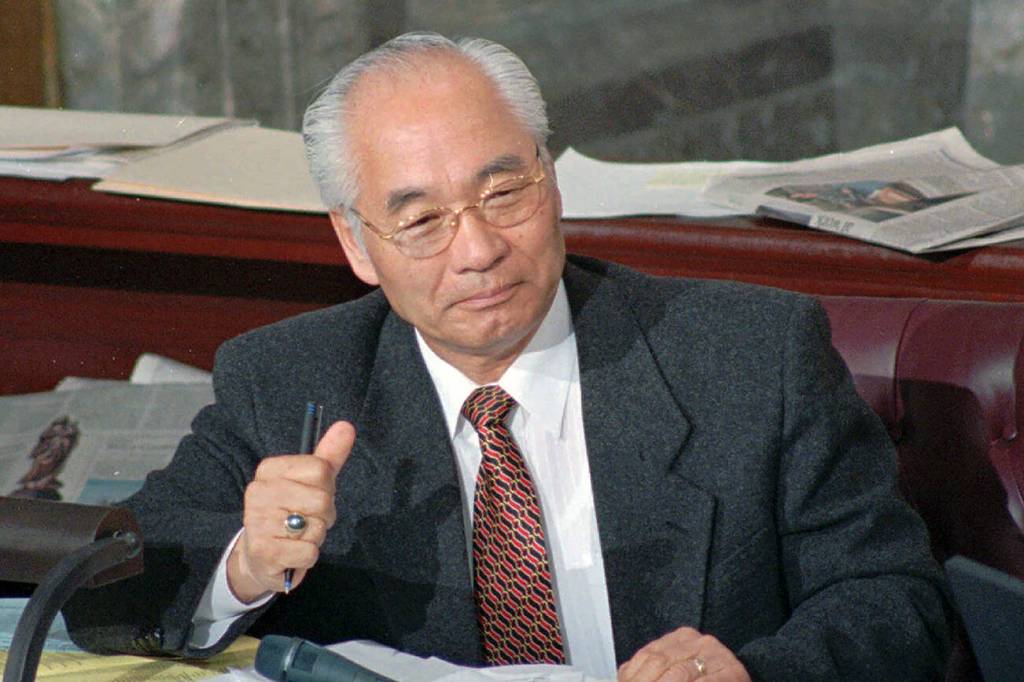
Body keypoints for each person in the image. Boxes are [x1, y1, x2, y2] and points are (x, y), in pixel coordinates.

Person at [63, 32, 951, 681]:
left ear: (552, 179)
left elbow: (896, 602)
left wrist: (754, 673)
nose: (478, 248)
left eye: (503, 190)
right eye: (420, 220)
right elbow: (102, 595)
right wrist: (244, 567)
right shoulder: (291, 380)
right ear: (357, 245)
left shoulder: (750, 356)